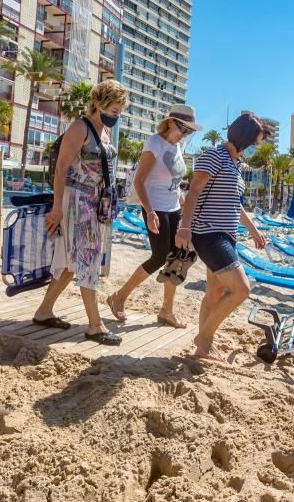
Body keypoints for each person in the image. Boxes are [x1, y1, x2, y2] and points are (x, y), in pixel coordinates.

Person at [40, 79, 128, 345]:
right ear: (99, 104)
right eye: (113, 110)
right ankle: (95, 325)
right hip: (77, 201)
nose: (116, 116)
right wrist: (57, 208)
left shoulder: (104, 132)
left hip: (94, 201)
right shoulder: (81, 128)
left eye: (119, 112)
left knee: (71, 262)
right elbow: (61, 169)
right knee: (88, 259)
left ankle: (44, 311)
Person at [176, 112, 270, 361]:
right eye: (256, 142)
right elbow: (193, 191)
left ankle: (203, 349)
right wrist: (184, 227)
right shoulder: (215, 156)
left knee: (214, 294)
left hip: (226, 236)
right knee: (241, 290)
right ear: (245, 138)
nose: (257, 148)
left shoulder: (235, 165)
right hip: (208, 233)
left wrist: (254, 230)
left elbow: (235, 205)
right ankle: (204, 337)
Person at [107, 104, 202, 328]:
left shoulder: (177, 148)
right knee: (160, 256)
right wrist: (149, 212)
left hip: (172, 208)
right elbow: (139, 181)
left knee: (177, 257)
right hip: (155, 207)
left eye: (189, 131)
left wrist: (184, 207)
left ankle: (166, 311)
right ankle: (119, 297)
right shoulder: (155, 143)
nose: (185, 134)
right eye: (183, 128)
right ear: (170, 122)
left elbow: (174, 183)